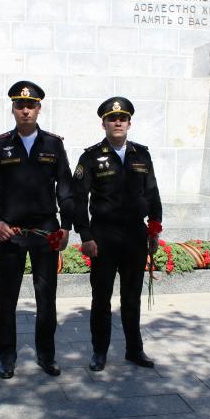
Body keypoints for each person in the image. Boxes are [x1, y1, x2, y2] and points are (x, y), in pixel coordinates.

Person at [0, 81, 74, 379]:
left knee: (46, 297)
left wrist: (67, 227)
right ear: (13, 109)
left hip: (46, 230)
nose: (26, 110)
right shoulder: (0, 144)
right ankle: (7, 357)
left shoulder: (53, 144)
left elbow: (66, 189)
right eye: (20, 105)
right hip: (11, 232)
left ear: (39, 108)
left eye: (31, 105)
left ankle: (46, 356)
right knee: (6, 298)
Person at [72, 96, 162, 372]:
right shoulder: (90, 157)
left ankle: (134, 350)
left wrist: (154, 229)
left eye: (122, 118)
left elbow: (153, 193)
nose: (118, 122)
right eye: (112, 118)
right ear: (104, 124)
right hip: (104, 236)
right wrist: (85, 236)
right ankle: (99, 351)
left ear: (129, 123)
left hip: (135, 235)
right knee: (101, 297)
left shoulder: (141, 155)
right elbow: (77, 199)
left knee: (131, 296)